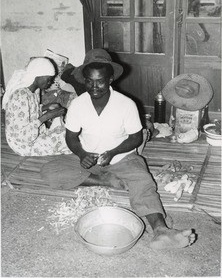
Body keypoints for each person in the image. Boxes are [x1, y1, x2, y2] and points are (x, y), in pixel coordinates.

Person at [41, 49, 196, 250]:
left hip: (122, 157)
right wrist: (81, 154)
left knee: (143, 181)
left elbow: (136, 138)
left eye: (100, 81)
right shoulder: (78, 104)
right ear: (84, 80)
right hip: (89, 158)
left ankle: (161, 230)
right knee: (50, 171)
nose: (94, 87)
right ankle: (104, 180)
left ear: (111, 79)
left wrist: (113, 152)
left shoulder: (126, 105)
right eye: (89, 81)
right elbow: (70, 137)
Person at [2, 57, 72, 156]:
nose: (50, 82)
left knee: (69, 130)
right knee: (69, 138)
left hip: (35, 133)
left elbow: (28, 112)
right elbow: (23, 136)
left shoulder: (34, 90)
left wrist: (46, 107)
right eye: (48, 79)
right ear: (37, 76)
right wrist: (47, 116)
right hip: (23, 143)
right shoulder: (20, 96)